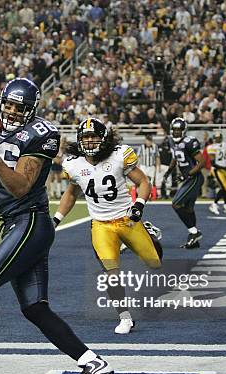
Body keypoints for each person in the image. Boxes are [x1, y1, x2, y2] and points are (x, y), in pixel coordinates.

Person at [0, 78, 114, 374]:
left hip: (31, 222)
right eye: (8, 105)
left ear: (31, 110)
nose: (12, 112)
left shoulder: (42, 134)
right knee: (34, 308)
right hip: (14, 224)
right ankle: (92, 362)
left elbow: (21, 187)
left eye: (20, 108)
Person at [55, 117, 163, 334]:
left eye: (94, 136)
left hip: (127, 219)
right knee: (111, 273)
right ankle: (125, 317)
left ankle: (148, 232)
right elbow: (72, 193)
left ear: (104, 138)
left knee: (155, 263)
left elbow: (143, 182)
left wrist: (139, 205)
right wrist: (56, 218)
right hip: (100, 225)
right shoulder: (73, 164)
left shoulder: (118, 156)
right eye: (86, 137)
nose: (90, 141)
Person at [163, 117, 205, 248]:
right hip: (188, 178)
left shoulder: (189, 142)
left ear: (184, 130)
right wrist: (169, 171)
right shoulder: (173, 142)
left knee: (176, 203)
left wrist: (188, 174)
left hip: (194, 178)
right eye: (174, 130)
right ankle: (194, 240)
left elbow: (202, 162)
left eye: (178, 130)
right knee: (188, 208)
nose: (176, 132)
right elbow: (175, 158)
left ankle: (194, 232)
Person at [207, 132, 226, 215]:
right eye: (216, 137)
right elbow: (213, 163)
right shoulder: (211, 147)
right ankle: (214, 204)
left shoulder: (224, 145)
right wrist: (224, 168)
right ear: (214, 138)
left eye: (219, 137)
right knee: (224, 187)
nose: (218, 139)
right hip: (216, 169)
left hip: (223, 168)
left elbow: (224, 158)